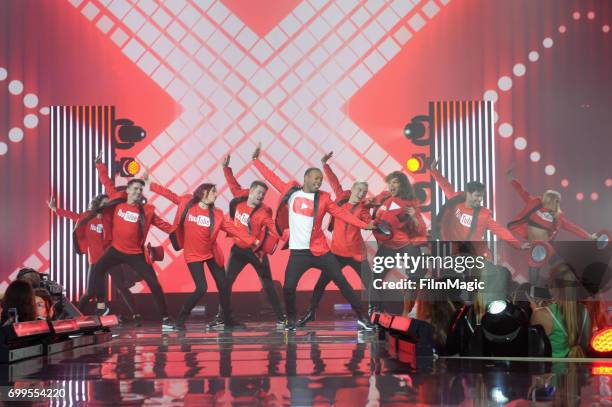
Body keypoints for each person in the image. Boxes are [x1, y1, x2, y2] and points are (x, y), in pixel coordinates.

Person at [251, 143, 376, 331]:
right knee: (288, 287)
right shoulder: (291, 193)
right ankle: (291, 321)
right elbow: (271, 177)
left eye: (321, 179)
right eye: (316, 178)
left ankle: (362, 318)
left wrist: (364, 224)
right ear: (306, 178)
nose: (319, 182)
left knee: (342, 282)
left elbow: (343, 214)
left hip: (321, 251)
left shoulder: (324, 198)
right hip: (298, 252)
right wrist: (255, 161)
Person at [146, 174, 259, 330]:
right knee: (201, 288)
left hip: (211, 253)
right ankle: (180, 320)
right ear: (203, 193)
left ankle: (228, 320)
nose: (216, 195)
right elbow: (170, 195)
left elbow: (234, 229)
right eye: (213, 192)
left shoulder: (217, 214)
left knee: (224, 285)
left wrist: (253, 240)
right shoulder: (187, 203)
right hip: (193, 255)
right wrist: (151, 184)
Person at [89, 157, 175, 330]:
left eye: (140, 189)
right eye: (135, 188)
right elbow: (106, 182)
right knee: (97, 270)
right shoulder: (117, 202)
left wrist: (183, 231)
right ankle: (99, 305)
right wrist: (100, 166)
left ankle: (166, 317)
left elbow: (166, 227)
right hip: (115, 250)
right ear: (128, 190)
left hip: (135, 254)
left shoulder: (147, 211)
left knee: (154, 284)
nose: (138, 192)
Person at [296, 152, 373, 327]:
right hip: (337, 254)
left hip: (356, 255)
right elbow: (333, 180)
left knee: (371, 284)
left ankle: (371, 314)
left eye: (364, 192)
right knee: (321, 283)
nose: (361, 194)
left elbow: (369, 222)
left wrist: (376, 223)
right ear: (352, 188)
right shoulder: (340, 197)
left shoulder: (363, 209)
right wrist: (324, 164)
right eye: (359, 189)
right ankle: (310, 313)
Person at [47, 195, 139, 320]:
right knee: (89, 292)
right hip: (95, 260)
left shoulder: (111, 220)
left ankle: (136, 314)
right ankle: (76, 316)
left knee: (122, 287)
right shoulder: (87, 216)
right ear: (98, 204)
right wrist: (55, 209)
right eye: (104, 203)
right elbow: (73, 216)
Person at [222, 154, 287, 326]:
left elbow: (273, 227)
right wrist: (226, 169)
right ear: (250, 191)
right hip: (238, 250)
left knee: (268, 285)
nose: (261, 196)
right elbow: (232, 184)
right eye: (258, 192)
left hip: (256, 252)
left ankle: (281, 318)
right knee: (227, 283)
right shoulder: (240, 198)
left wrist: (287, 235)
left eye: (263, 194)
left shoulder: (264, 212)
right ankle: (222, 316)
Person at [429, 159, 528, 259]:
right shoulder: (456, 200)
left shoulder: (484, 215)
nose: (480, 199)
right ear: (468, 194)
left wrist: (518, 244)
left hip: (478, 256)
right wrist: (434, 170)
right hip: (459, 254)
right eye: (477, 196)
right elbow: (446, 186)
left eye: (481, 196)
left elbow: (501, 231)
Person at [367, 169, 427, 312]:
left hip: (407, 244)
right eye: (390, 183)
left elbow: (421, 230)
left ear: (403, 185)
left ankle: (411, 308)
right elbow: (376, 220)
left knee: (417, 274)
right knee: (377, 276)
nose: (391, 186)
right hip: (388, 245)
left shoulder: (411, 203)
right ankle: (374, 308)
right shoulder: (385, 200)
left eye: (395, 182)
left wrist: (414, 217)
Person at [530, 263, 591, 358]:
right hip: (580, 371)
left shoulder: (541, 314)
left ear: (552, 286)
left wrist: (536, 311)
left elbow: (534, 354)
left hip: (553, 372)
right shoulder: (585, 311)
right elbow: (585, 345)